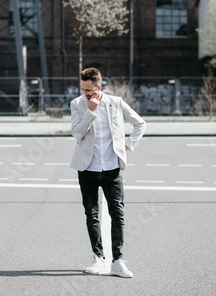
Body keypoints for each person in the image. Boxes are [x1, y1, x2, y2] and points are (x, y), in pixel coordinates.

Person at [70, 67, 146, 278]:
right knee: (91, 214)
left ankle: (118, 261)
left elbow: (140, 123)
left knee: (118, 214)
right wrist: (90, 112)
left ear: (99, 87)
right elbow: (77, 133)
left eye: (89, 90)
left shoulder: (116, 103)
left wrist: (128, 145)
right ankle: (98, 257)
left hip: (112, 169)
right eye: (83, 89)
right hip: (88, 168)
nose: (85, 93)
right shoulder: (77, 104)